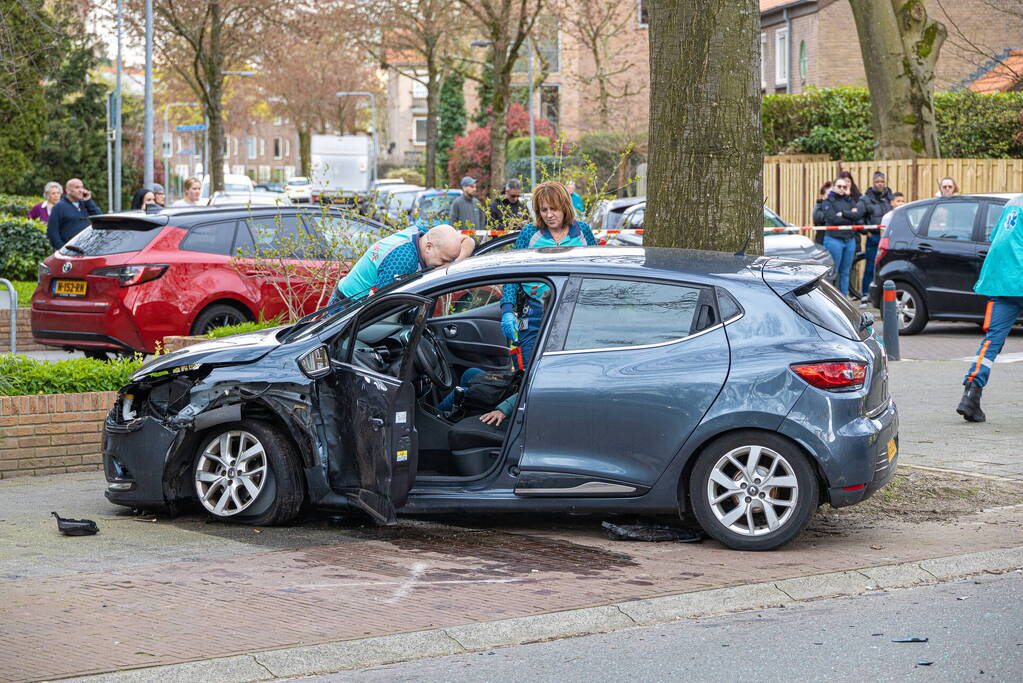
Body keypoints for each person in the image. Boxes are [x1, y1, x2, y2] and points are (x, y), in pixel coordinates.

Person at [500, 180, 598, 366]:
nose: (549, 215)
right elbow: (512, 275)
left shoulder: (582, 231)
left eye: (554, 209)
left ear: (565, 207)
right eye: (543, 210)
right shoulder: (529, 233)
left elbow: (597, 271)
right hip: (536, 311)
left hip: (576, 312)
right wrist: (507, 309)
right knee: (530, 371)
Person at [956, 194, 1023, 422]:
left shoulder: (1013, 203)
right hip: (1019, 277)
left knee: (992, 340)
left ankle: (971, 392)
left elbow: (996, 238)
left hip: (1001, 280)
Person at [327, 224, 464, 306]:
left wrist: (455, 262)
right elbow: (376, 305)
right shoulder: (402, 262)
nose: (446, 266)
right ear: (428, 247)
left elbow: (467, 240)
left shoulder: (422, 232)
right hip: (347, 305)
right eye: (444, 260)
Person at [819, 177, 862, 298]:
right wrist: (850, 216)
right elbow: (832, 218)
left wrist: (843, 213)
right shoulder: (828, 201)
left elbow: (857, 215)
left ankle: (844, 297)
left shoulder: (850, 200)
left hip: (849, 240)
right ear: (833, 187)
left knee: (845, 272)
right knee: (833, 271)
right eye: (839, 186)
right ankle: (830, 298)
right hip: (834, 239)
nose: (842, 189)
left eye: (844, 187)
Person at [856, 171, 893, 302]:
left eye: (882, 181)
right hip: (874, 237)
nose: (880, 184)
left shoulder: (889, 197)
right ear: (873, 182)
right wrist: (868, 232)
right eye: (877, 182)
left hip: (888, 237)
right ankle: (866, 294)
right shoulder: (865, 199)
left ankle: (884, 295)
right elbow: (858, 218)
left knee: (887, 266)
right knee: (871, 266)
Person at [46, 178, 101, 249]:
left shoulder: (86, 204)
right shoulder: (59, 207)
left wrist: (88, 201)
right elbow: (52, 232)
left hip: (89, 249)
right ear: (68, 191)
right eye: (77, 187)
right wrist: (62, 249)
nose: (81, 190)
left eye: (82, 187)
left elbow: (99, 219)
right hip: (70, 252)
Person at [812, 181, 832, 245]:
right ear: (822, 196)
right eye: (829, 194)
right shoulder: (818, 206)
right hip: (822, 241)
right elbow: (818, 218)